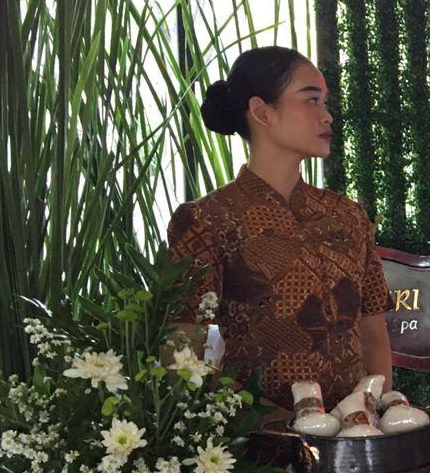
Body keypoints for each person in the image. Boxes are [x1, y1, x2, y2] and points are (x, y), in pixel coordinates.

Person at [167, 47, 393, 411]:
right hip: (258, 451)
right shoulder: (208, 218)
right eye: (312, 101)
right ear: (261, 112)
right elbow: (183, 349)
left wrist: (373, 417)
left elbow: (373, 336)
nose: (327, 116)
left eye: (324, 102)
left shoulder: (347, 215)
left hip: (355, 445)